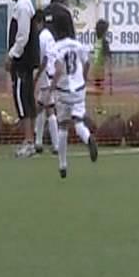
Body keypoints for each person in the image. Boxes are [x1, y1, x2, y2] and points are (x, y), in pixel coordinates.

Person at [49, 10, 98, 179]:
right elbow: (87, 63)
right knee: (78, 123)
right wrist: (83, 79)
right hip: (79, 90)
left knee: (63, 126)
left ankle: (62, 166)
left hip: (63, 92)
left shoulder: (56, 48)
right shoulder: (78, 45)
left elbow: (59, 69)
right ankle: (88, 138)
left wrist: (51, 87)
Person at [5, 0, 38, 158]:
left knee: (22, 99)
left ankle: (28, 141)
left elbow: (23, 36)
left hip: (22, 62)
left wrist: (12, 55)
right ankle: (30, 140)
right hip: (24, 61)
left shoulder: (24, 5)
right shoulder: (21, 4)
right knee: (27, 99)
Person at [32, 9, 59, 155]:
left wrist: (36, 77)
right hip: (50, 75)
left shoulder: (42, 37)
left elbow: (45, 59)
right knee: (44, 107)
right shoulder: (48, 36)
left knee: (46, 108)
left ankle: (52, 144)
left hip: (46, 76)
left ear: (39, 22)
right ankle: (40, 142)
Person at [91, 19, 110, 93]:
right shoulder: (103, 42)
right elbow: (106, 56)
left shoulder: (99, 41)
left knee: (98, 86)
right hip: (99, 68)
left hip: (97, 67)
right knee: (99, 87)